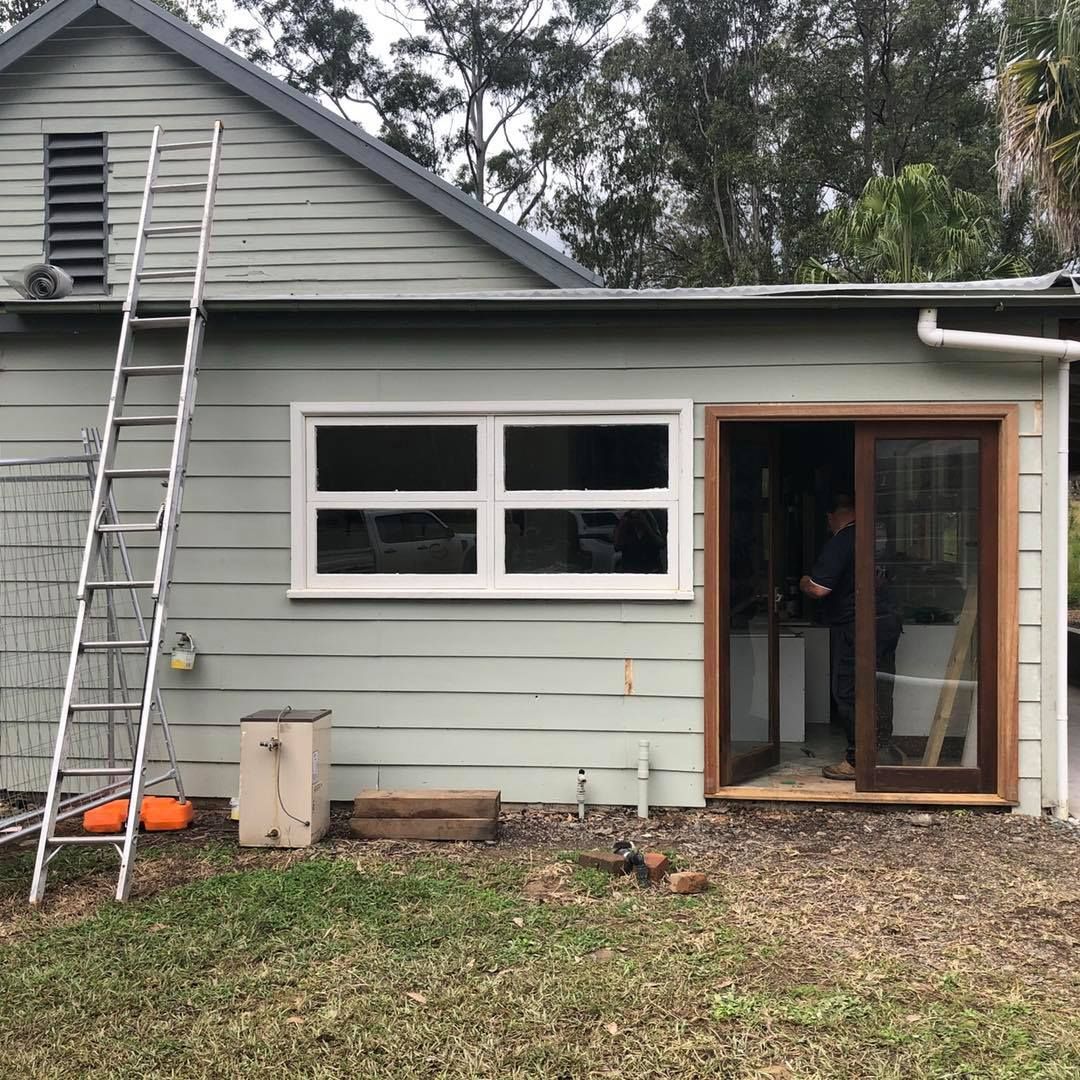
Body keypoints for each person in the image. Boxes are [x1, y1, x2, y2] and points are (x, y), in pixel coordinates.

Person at [799, 494, 902, 780]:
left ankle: (858, 760)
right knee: (881, 686)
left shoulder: (843, 540)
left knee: (847, 690)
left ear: (832, 516)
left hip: (856, 627)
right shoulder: (877, 539)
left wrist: (804, 582)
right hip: (887, 622)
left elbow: (820, 589)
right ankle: (881, 751)